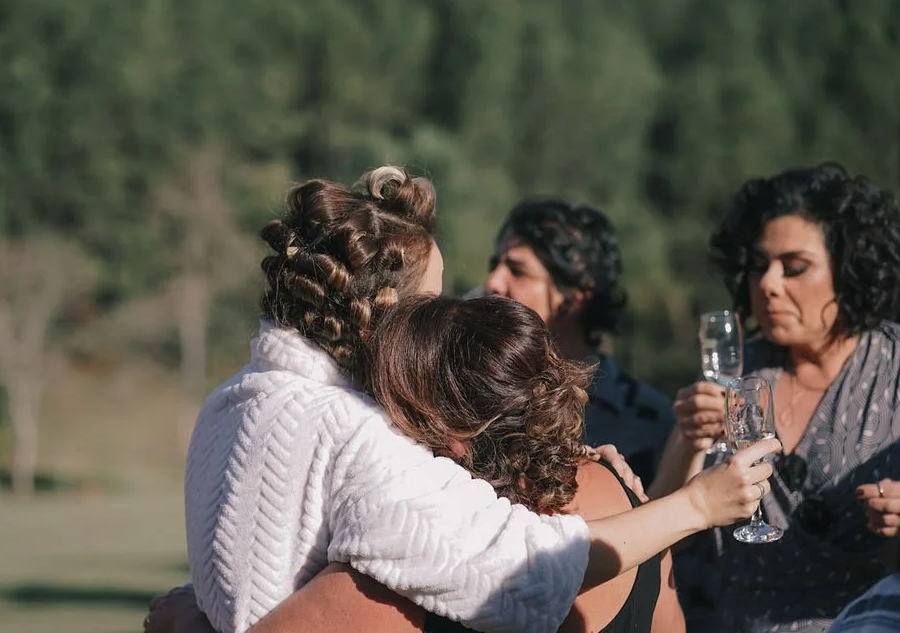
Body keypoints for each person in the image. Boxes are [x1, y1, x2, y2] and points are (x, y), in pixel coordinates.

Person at [172, 166, 777, 633]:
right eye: (428, 303)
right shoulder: (356, 434)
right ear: (384, 312)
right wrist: (696, 506)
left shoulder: (232, 399)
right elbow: (518, 566)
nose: (436, 321)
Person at [651, 162, 900, 632]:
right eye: (759, 266)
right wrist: (689, 438)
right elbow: (665, 537)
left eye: (795, 267)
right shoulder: (735, 373)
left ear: (850, 272)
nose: (768, 284)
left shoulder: (894, 371)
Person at [485, 199, 673, 488]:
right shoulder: (477, 396)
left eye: (517, 270)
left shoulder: (648, 418)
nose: (494, 282)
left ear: (577, 292)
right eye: (495, 265)